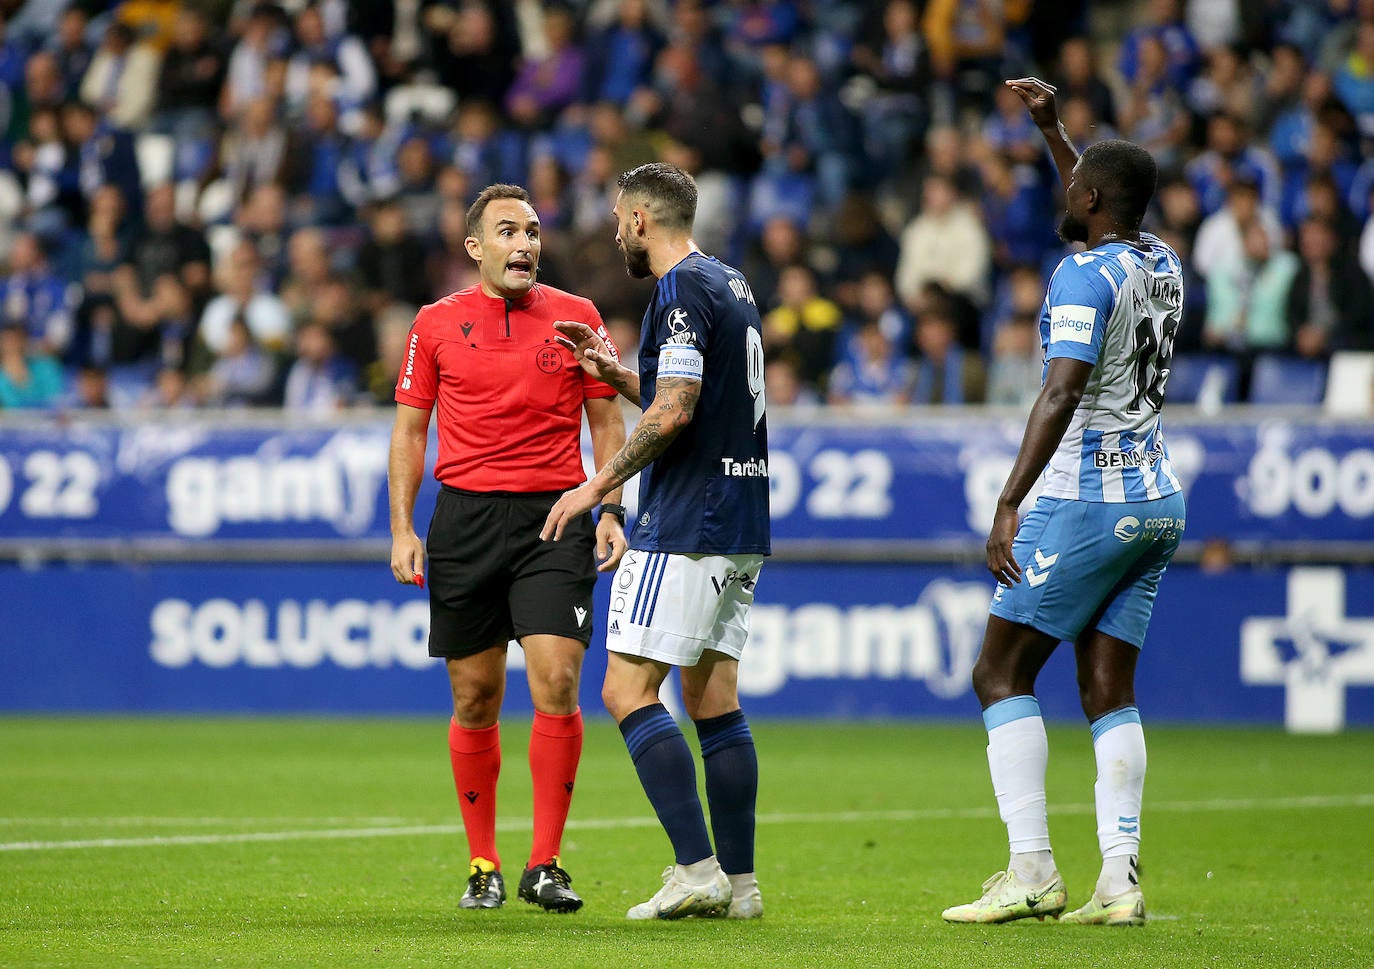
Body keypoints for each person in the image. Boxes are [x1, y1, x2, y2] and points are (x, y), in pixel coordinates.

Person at [941, 79, 1187, 928]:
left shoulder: (1082, 275)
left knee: (998, 671)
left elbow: (1059, 391)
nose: (1065, 191)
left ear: (1088, 201)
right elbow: (1096, 192)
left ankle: (1033, 870)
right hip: (1156, 499)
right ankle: (1118, 879)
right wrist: (1053, 130)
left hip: (1084, 498)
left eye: (1071, 184)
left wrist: (1009, 502)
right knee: (1107, 686)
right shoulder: (1162, 261)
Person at [387, 183, 629, 914]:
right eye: (507, 231)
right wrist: (404, 526)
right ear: (474, 248)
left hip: (555, 517)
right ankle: (483, 862)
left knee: (557, 680)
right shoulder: (434, 324)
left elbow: (608, 423)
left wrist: (611, 506)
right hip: (463, 521)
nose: (524, 243)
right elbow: (408, 431)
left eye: (531, 231)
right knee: (475, 695)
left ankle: (545, 862)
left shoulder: (578, 317)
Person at [541, 163, 770, 921]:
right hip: (741, 516)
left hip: (685, 520)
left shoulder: (676, 291)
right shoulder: (728, 281)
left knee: (624, 689)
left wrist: (594, 484)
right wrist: (613, 371)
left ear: (641, 219)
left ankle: (696, 866)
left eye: (617, 219)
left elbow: (673, 416)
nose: (614, 233)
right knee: (713, 696)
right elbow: (690, 402)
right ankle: (739, 885)